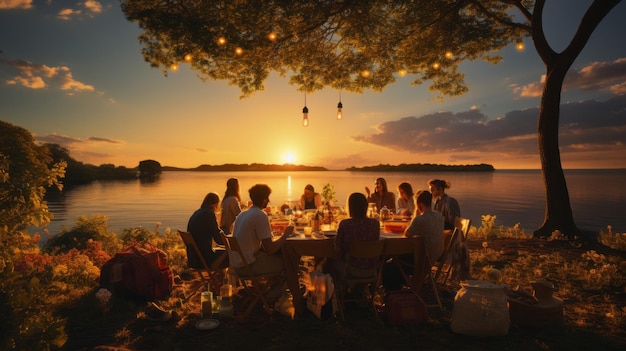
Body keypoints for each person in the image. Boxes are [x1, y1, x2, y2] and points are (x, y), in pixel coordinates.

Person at [382, 190, 444, 291]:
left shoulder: (420, 219)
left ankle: (392, 293)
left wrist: (416, 214)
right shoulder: (439, 216)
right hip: (432, 259)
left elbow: (406, 235)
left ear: (420, 204)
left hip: (419, 261)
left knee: (389, 265)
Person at [229, 184, 293, 277]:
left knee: (281, 256)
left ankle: (269, 288)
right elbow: (270, 249)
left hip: (237, 264)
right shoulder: (260, 215)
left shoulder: (243, 214)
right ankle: (276, 291)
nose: (269, 201)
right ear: (264, 200)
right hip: (248, 266)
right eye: (268, 198)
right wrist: (286, 234)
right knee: (289, 261)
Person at [332, 192, 380, 278]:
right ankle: (362, 288)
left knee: (328, 262)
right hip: (372, 269)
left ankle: (337, 290)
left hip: (350, 269)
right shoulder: (375, 223)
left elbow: (337, 249)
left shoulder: (345, 224)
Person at [186, 192, 228, 268]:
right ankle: (229, 279)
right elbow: (218, 238)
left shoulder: (198, 212)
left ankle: (220, 278)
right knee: (233, 255)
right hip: (205, 260)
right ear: (214, 204)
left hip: (194, 259)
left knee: (223, 252)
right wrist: (229, 242)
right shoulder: (208, 214)